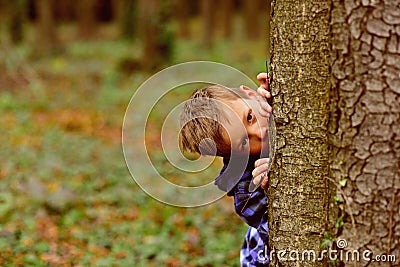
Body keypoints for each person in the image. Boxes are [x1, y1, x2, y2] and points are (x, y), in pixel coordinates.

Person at [179, 73, 272, 266]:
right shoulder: (245, 188)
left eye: (250, 117)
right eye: (245, 142)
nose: (260, 133)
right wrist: (272, 189)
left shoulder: (264, 101)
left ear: (250, 94)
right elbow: (278, 229)